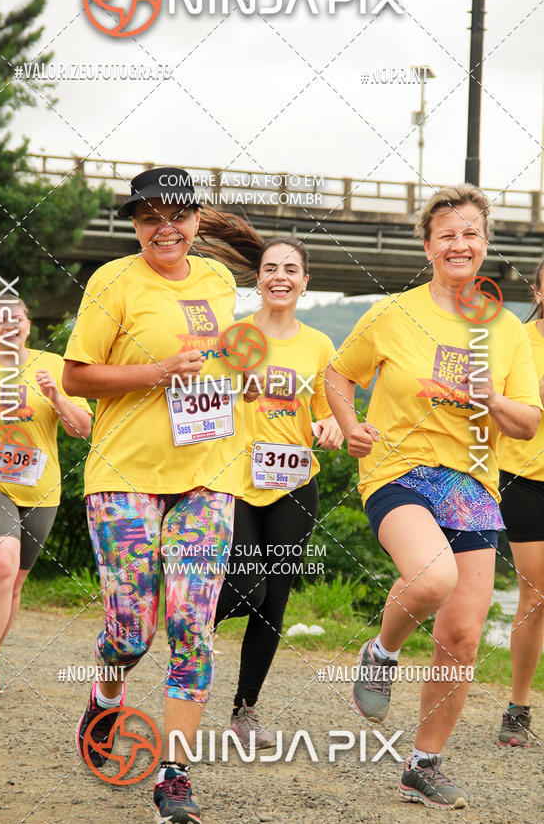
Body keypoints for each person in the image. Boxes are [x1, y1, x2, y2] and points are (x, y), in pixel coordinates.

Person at [325, 184, 541, 809]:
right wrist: (348, 423)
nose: (459, 244)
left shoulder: (504, 330)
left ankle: (423, 762)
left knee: (463, 634)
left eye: (470, 233)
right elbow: (338, 375)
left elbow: (526, 422)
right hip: (398, 472)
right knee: (429, 578)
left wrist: (490, 400)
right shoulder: (393, 314)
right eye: (446, 234)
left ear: (484, 245)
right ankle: (381, 649)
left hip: (472, 484)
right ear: (427, 246)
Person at [63, 167, 264, 824]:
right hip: (124, 477)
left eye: (177, 214)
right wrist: (157, 371)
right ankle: (105, 695)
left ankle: (174, 775)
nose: (165, 226)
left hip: (208, 476)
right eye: (150, 216)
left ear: (197, 220)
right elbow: (78, 377)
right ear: (135, 224)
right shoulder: (112, 283)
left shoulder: (217, 281)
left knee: (191, 629)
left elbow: (218, 362)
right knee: (131, 631)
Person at [213, 237, 343, 747]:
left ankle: (245, 710)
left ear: (305, 281)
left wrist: (331, 426)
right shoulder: (233, 337)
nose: (280, 276)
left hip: (294, 483)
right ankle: (190, 612)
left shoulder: (319, 346)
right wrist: (230, 391)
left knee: (275, 602)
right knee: (250, 587)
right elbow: (198, 406)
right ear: (259, 279)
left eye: (291, 268)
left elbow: (328, 409)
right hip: (236, 482)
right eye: (271, 268)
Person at [0, 296, 92, 694]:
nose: (9, 327)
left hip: (41, 489)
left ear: (29, 325)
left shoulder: (56, 366)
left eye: (18, 320)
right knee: (2, 564)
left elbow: (83, 428)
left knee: (15, 580)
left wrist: (57, 397)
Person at [495, 259, 544, 747]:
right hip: (525, 478)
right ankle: (519, 706)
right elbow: (504, 404)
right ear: (537, 288)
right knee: (535, 595)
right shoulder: (517, 340)